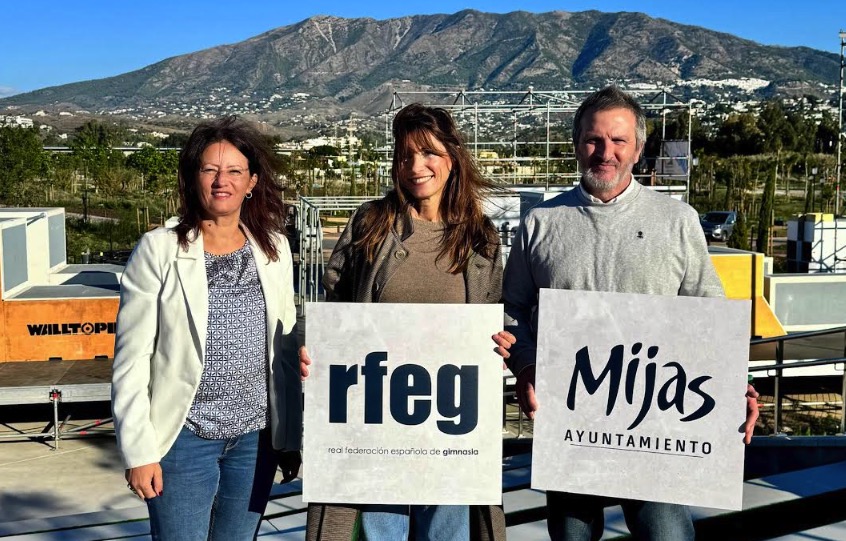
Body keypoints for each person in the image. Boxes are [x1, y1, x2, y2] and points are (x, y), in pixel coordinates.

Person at [501, 86, 759, 541]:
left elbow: (709, 314)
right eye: (593, 140)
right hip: (570, 420)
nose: (605, 153)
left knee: (665, 535)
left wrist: (736, 386)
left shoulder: (677, 220)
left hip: (656, 422)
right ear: (577, 144)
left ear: (638, 149)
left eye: (618, 141)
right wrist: (523, 364)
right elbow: (513, 309)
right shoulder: (540, 222)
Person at [301, 103, 514, 541]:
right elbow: (334, 303)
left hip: (452, 422)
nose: (416, 166)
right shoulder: (371, 224)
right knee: (382, 531)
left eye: (429, 153)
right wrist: (312, 344)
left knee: (448, 532)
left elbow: (496, 310)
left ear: (453, 158)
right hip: (380, 418)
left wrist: (504, 341)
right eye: (405, 156)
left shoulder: (480, 236)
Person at [111, 115, 302, 540]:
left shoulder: (274, 248)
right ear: (193, 178)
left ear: (252, 180)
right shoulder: (159, 250)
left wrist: (289, 437)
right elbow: (131, 360)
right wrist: (138, 452)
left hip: (256, 440)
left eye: (235, 170)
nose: (223, 181)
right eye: (210, 169)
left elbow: (283, 353)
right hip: (183, 439)